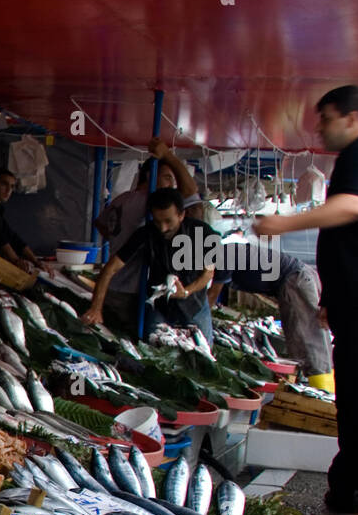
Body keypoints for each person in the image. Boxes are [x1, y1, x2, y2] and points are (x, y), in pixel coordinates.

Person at [254, 84, 358, 515]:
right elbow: (350, 239)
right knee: (352, 400)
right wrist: (331, 300)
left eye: (325, 118)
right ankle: (347, 487)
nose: (320, 128)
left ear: (350, 117)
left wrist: (284, 223)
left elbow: (352, 207)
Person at [89, 139, 203, 335]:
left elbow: (100, 223)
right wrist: (167, 155)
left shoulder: (123, 199)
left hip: (113, 286)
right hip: (132, 289)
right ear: (150, 176)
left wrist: (117, 239)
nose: (171, 184)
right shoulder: (149, 204)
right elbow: (191, 191)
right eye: (167, 178)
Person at [84, 187, 221, 343]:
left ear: (181, 215)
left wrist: (186, 292)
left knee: (203, 354)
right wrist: (96, 308)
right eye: (157, 221)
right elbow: (110, 269)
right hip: (160, 304)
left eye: (168, 221)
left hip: (194, 302)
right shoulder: (146, 233)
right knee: (153, 348)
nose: (162, 228)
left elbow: (208, 273)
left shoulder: (204, 233)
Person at [206, 244, 334, 385]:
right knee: (315, 337)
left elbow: (212, 296)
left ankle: (322, 392)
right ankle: (323, 385)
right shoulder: (226, 251)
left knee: (308, 340)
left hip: (296, 279)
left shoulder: (222, 256)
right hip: (299, 277)